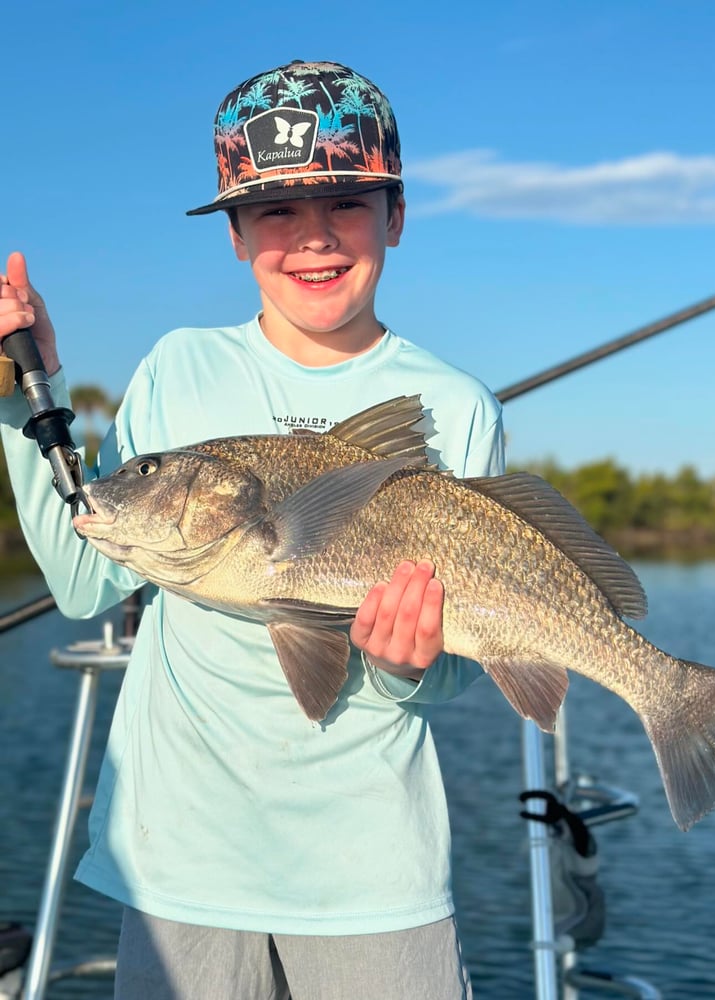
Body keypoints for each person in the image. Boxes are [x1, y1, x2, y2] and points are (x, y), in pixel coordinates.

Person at [0, 60, 504, 1000]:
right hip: (176, 869)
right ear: (234, 236)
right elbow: (84, 577)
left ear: (396, 215)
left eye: (348, 201)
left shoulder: (456, 405)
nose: (313, 236)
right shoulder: (176, 368)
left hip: (375, 877)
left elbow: (455, 671)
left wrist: (406, 669)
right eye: (274, 211)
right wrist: (29, 403)